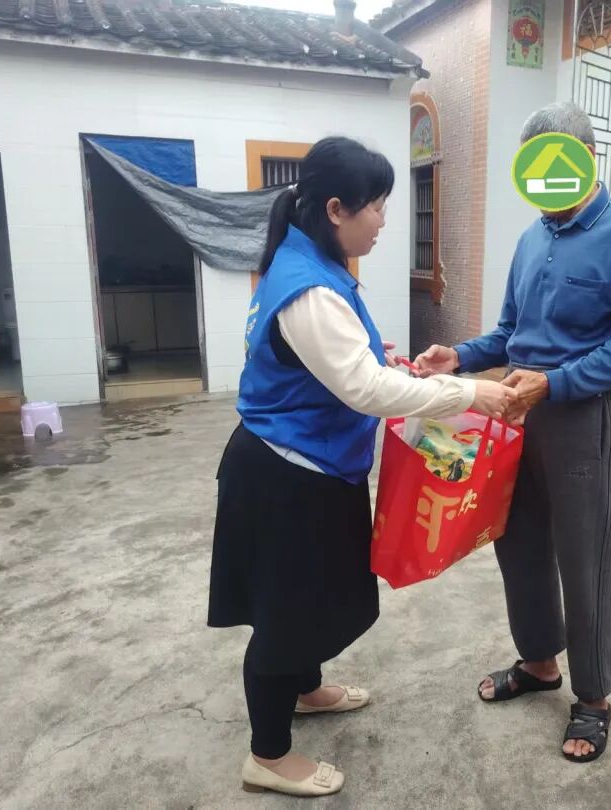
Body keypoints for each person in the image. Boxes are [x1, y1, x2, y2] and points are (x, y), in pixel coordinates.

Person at [208, 137, 517, 797]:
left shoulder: (309, 260)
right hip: (286, 475)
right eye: (376, 207)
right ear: (336, 209)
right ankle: (267, 756)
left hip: (313, 466)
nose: (382, 221)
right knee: (287, 609)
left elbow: (346, 366)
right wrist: (469, 392)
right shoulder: (309, 288)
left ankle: (304, 688)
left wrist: (379, 359)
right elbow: (365, 391)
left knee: (315, 596)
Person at [416, 102, 611, 764]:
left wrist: (554, 383)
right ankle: (539, 662)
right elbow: (510, 332)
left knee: (584, 556)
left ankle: (594, 696)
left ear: (586, 161)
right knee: (517, 541)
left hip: (582, 417)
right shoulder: (531, 238)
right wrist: (458, 356)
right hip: (514, 414)